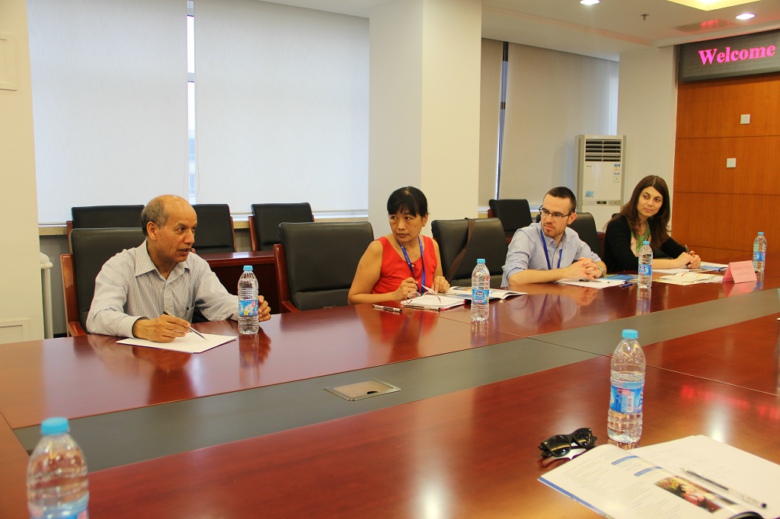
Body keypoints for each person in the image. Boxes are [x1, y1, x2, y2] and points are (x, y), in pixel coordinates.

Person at [87, 195, 271, 342]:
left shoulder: (195, 264)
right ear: (153, 230)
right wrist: (141, 327)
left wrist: (247, 308)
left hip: (181, 361)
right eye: (181, 229)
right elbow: (98, 317)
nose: (190, 239)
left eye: (193, 229)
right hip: (134, 364)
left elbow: (219, 302)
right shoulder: (119, 266)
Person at [348, 186, 450, 304]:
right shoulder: (378, 248)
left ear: (424, 219)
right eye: (394, 218)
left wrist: (441, 284)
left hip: (424, 314)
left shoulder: (432, 245)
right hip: (385, 315)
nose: (400, 226)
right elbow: (353, 298)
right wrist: (394, 295)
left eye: (408, 218)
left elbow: (436, 288)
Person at [501, 186, 607, 286]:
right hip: (522, 298)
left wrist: (598, 270)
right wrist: (566, 273)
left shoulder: (572, 237)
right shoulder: (526, 236)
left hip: (554, 297)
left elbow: (599, 264)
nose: (548, 219)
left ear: (571, 218)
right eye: (545, 212)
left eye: (556, 215)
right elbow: (514, 278)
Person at [603, 175, 701, 272]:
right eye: (646, 197)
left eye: (657, 200)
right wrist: (676, 263)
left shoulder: (652, 225)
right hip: (616, 280)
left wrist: (693, 259)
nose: (650, 203)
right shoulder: (617, 225)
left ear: (662, 205)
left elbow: (679, 252)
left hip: (643, 279)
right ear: (636, 197)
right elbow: (629, 263)